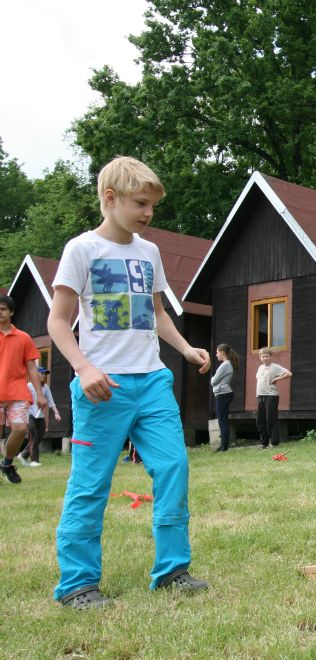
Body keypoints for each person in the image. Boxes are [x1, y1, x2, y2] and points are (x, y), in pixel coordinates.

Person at [47, 156, 212, 609]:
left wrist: (185, 349)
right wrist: (84, 368)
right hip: (103, 386)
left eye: (152, 205)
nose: (148, 213)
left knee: (173, 467)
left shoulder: (149, 252)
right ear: (110, 198)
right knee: (90, 483)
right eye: (141, 203)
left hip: (153, 381)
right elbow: (58, 321)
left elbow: (156, 313)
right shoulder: (81, 250)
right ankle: (77, 583)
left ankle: (172, 570)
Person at [0, 294, 45, 484]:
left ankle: (6, 463)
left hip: (17, 392)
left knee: (20, 429)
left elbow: (32, 368)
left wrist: (40, 394)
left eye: (3, 309)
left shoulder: (23, 338)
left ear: (11, 312)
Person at [17, 367, 61, 467]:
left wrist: (56, 413)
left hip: (39, 415)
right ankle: (34, 461)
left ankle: (23, 455)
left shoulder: (45, 387)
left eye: (45, 374)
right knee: (34, 436)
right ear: (36, 374)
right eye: (42, 373)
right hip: (28, 414)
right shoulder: (28, 386)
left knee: (40, 435)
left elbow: (51, 401)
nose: (44, 375)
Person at [255, 347, 291, 450]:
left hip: (271, 396)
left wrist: (277, 378)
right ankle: (264, 443)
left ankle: (274, 443)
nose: (265, 358)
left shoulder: (275, 367)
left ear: (270, 357)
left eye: (267, 356)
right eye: (263, 356)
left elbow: (289, 373)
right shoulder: (260, 367)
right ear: (260, 358)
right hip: (260, 396)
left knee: (270, 420)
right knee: (260, 421)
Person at [210, 343, 240, 452]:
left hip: (223, 394)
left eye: (217, 352)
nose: (216, 354)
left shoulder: (225, 365)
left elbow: (213, 381)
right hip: (223, 394)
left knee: (223, 421)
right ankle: (223, 445)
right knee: (222, 420)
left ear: (222, 352)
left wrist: (212, 379)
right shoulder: (227, 364)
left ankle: (224, 447)